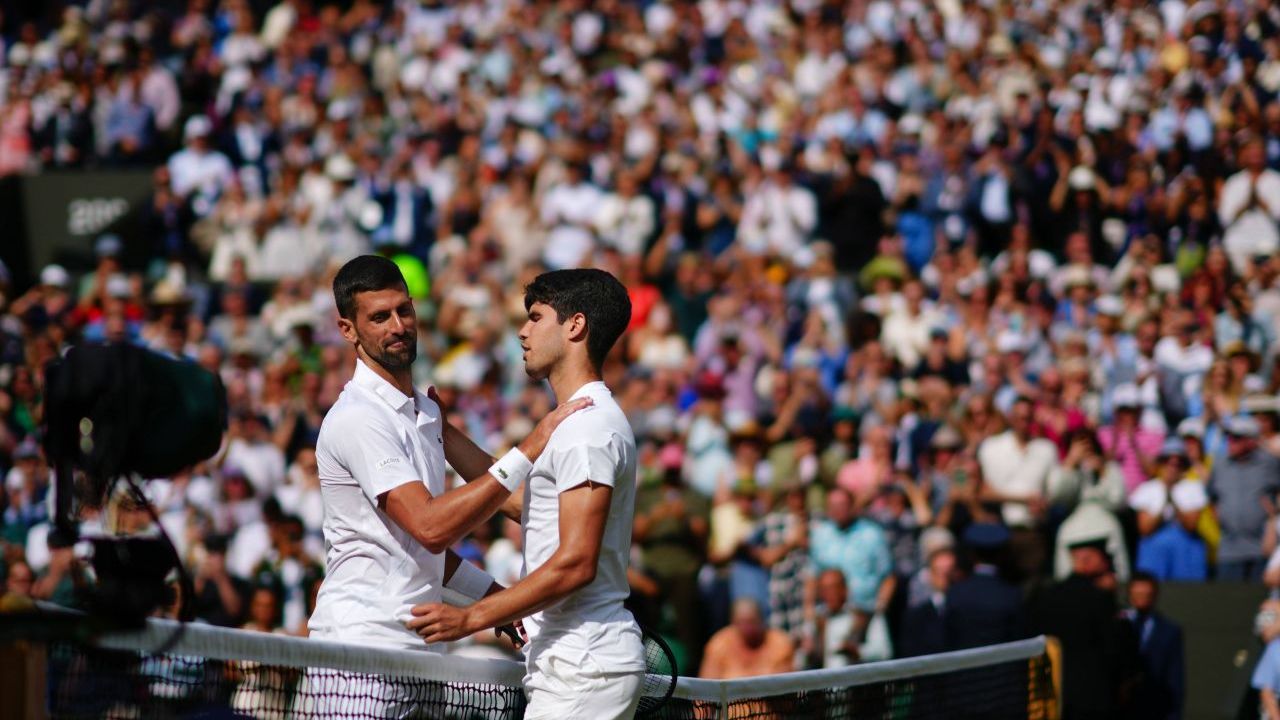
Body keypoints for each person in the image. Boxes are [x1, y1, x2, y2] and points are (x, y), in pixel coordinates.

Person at [307, 256, 585, 657]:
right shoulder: (358, 417)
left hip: (419, 645)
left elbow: (428, 553)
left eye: (404, 310)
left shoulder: (426, 412)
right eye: (380, 317)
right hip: (361, 645)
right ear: (348, 330)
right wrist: (528, 448)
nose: (399, 326)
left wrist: (497, 601)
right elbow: (431, 528)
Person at [408, 269, 645, 720]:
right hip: (574, 666)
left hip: (584, 669)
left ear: (574, 326)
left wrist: (472, 617)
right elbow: (523, 506)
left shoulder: (587, 429)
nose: (522, 331)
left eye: (535, 317)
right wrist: (445, 431)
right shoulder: (578, 422)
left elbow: (576, 562)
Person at [1029, 537, 1130, 720]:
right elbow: (1114, 649)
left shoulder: (1045, 596)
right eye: (1104, 558)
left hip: (1051, 693)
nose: (1107, 564)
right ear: (1089, 560)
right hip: (1093, 697)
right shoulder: (1100, 599)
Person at [1209, 415, 1280, 581]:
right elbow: (1212, 496)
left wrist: (1273, 517)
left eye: (1237, 437)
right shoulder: (1220, 465)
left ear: (1251, 441)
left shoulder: (1269, 463)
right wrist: (1221, 519)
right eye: (1229, 437)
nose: (1230, 441)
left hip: (1261, 548)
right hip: (1229, 548)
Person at [1124, 572, 1185, 720]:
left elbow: (1175, 677)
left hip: (1155, 707)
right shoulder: (1116, 624)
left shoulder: (1169, 631)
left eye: (1146, 594)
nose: (1142, 599)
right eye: (1137, 594)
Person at [700, 597, 796, 678]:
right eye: (742, 622)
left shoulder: (780, 644)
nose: (747, 628)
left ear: (761, 620)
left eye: (751, 622)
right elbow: (706, 691)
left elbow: (785, 688)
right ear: (733, 622)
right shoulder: (718, 645)